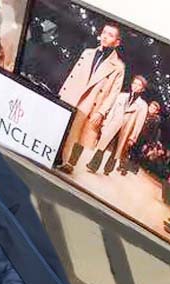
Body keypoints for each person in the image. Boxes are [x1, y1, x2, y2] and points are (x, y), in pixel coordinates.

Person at [57, 23, 125, 174]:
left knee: (81, 134)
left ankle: (70, 163)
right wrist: (63, 93)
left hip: (93, 103)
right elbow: (73, 74)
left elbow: (114, 93)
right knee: (64, 128)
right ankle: (58, 156)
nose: (105, 37)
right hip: (73, 96)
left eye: (110, 35)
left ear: (117, 42)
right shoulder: (88, 53)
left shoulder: (118, 67)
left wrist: (101, 112)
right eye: (104, 32)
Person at [86, 75, 148, 176]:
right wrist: (106, 123)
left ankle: (108, 169)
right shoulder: (121, 96)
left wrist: (133, 137)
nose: (135, 86)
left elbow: (139, 123)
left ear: (142, 89)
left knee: (117, 149)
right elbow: (112, 111)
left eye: (139, 85)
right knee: (103, 145)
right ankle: (93, 165)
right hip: (113, 124)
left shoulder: (143, 105)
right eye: (134, 83)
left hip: (126, 129)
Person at [128, 100, 162, 173]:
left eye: (153, 108)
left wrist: (149, 143)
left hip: (145, 139)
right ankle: (126, 166)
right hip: (138, 135)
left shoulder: (156, 120)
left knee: (138, 152)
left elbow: (153, 133)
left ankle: (134, 168)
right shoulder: (144, 114)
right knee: (131, 150)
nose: (151, 109)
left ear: (156, 111)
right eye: (151, 107)